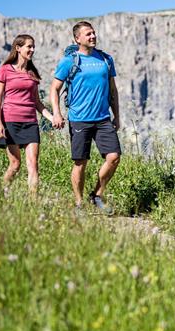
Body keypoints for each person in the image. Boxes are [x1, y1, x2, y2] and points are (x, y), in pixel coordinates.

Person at [49, 21, 121, 215]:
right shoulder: (69, 61)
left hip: (103, 118)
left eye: (94, 33)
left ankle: (96, 194)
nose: (93, 36)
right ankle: (79, 203)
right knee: (81, 163)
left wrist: (117, 116)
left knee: (114, 157)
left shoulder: (106, 59)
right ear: (77, 38)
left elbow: (113, 90)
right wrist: (56, 112)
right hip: (79, 119)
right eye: (88, 34)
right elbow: (54, 88)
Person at [0, 34, 54, 194]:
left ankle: (33, 205)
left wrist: (52, 118)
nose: (32, 49)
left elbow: (37, 103)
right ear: (18, 48)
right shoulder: (5, 70)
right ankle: (0, 193)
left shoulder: (32, 73)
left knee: (33, 164)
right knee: (15, 164)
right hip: (10, 121)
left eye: (33, 47)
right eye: (29, 46)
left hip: (30, 123)